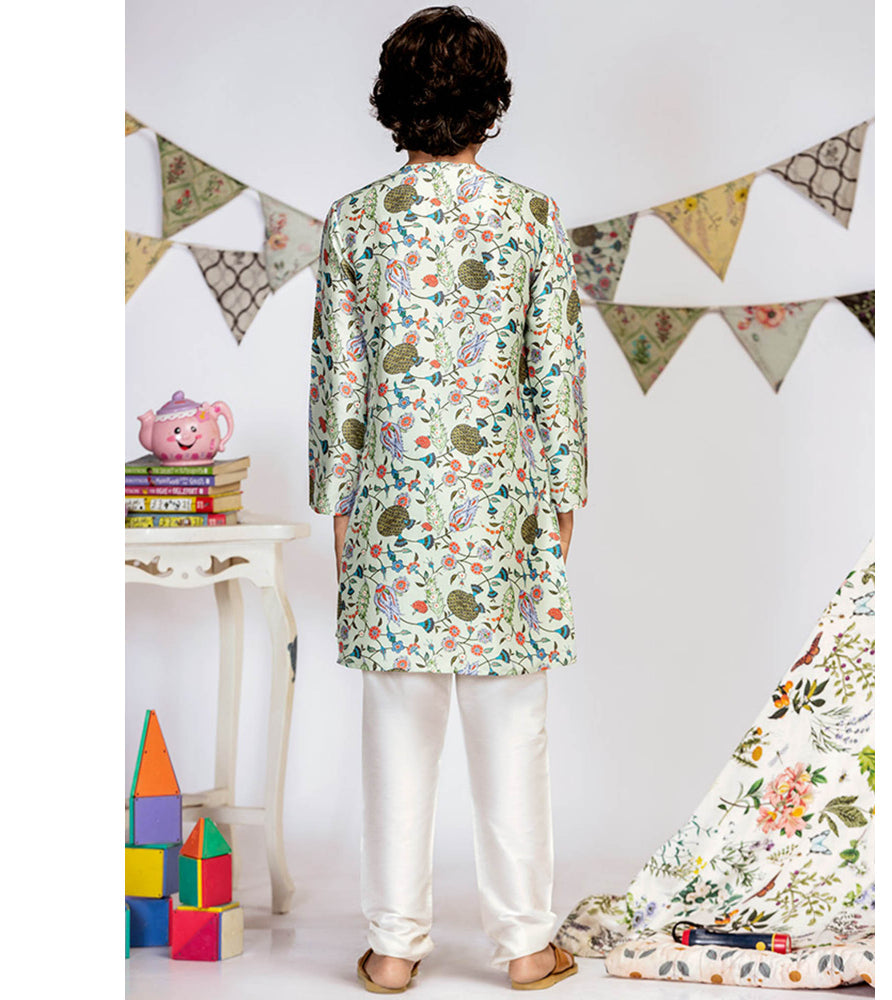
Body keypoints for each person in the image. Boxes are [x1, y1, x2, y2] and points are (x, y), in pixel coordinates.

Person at [308, 5, 587, 992]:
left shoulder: (355, 220)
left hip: (389, 513)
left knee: (397, 734)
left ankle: (393, 949)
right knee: (514, 733)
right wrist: (563, 500)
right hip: (502, 512)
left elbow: (338, 384)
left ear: (390, 102)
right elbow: (555, 376)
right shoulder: (530, 217)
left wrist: (338, 506)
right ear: (492, 103)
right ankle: (525, 945)